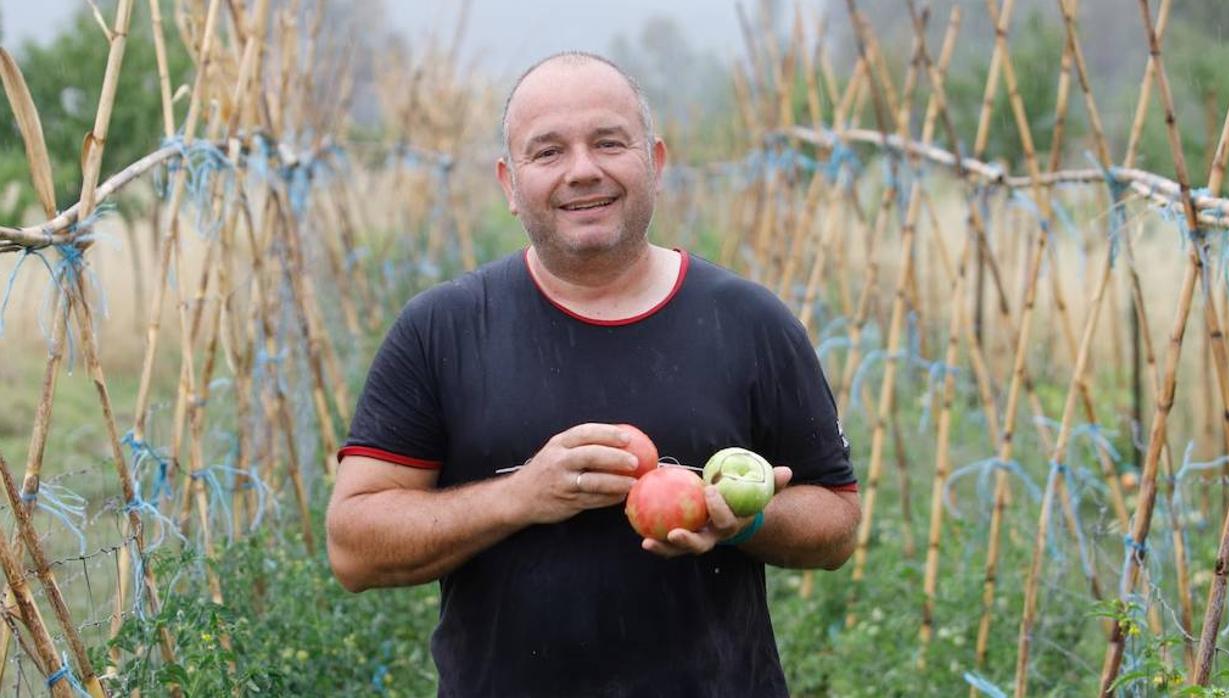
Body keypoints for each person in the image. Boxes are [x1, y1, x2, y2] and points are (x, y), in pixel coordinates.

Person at [326, 51, 861, 697]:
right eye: (547, 152)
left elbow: (836, 523)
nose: (583, 171)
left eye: (609, 143)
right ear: (508, 183)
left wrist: (741, 521)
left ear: (655, 162)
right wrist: (519, 497)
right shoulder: (442, 328)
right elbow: (353, 548)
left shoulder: (749, 321)